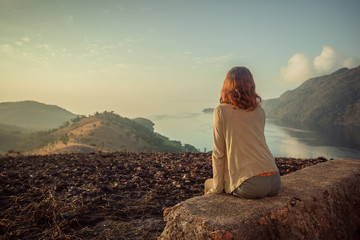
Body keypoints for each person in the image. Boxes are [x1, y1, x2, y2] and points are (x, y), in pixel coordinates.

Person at [204, 66, 281, 199]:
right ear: (251, 85)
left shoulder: (221, 110)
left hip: (251, 184)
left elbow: (218, 153)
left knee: (208, 184)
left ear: (227, 85)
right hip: (274, 179)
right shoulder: (259, 111)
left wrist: (217, 188)